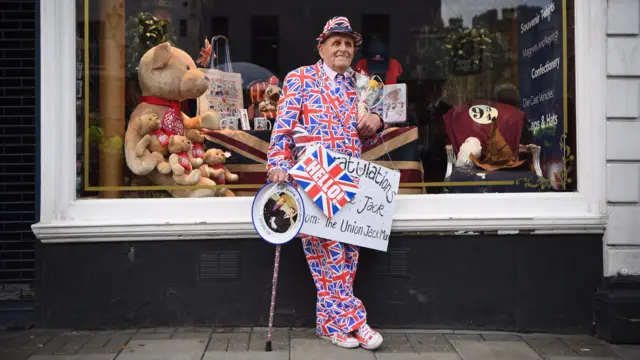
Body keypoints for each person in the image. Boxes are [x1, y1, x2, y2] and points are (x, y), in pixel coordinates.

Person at [266, 16, 385, 350]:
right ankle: (356, 321)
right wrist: (277, 165)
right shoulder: (301, 78)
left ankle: (328, 325)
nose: (343, 48)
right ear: (321, 47)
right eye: (336, 42)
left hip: (352, 180)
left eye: (348, 43)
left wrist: (377, 120)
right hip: (313, 179)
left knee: (347, 255)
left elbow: (378, 127)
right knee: (327, 253)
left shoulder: (361, 85)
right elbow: (283, 130)